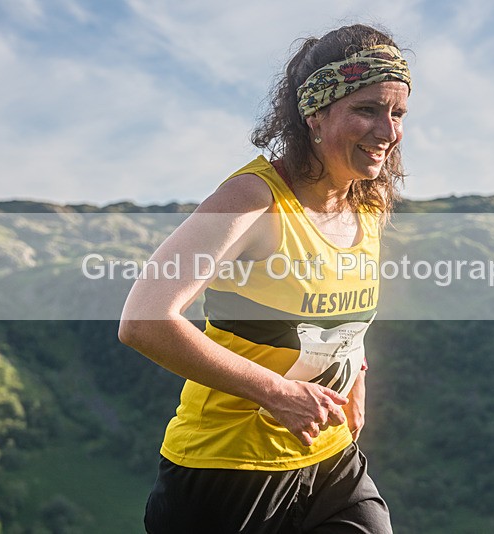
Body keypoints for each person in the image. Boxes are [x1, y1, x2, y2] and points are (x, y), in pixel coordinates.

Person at [119, 23, 411, 533]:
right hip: (226, 472)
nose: (387, 132)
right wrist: (276, 392)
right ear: (315, 114)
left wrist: (356, 373)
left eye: (397, 113)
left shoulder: (368, 200)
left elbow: (341, 307)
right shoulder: (253, 201)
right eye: (366, 109)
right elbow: (143, 320)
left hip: (329, 459)